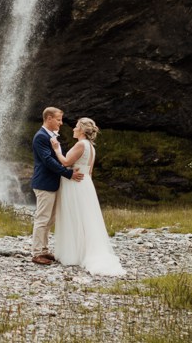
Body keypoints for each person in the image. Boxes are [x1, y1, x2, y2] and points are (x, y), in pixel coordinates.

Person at [50, 117, 126, 276]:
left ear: (83, 130)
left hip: (75, 185)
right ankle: (81, 250)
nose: (73, 129)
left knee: (75, 217)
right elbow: (90, 171)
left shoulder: (80, 144)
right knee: (85, 218)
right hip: (85, 184)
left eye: (76, 126)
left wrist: (57, 149)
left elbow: (65, 163)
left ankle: (74, 253)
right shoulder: (91, 147)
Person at [31, 106, 82, 265]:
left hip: (51, 183)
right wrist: (68, 174)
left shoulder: (50, 136)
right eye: (58, 120)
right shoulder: (41, 137)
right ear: (49, 118)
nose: (61, 123)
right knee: (42, 218)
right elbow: (48, 161)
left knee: (50, 219)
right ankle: (37, 253)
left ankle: (44, 250)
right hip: (44, 183)